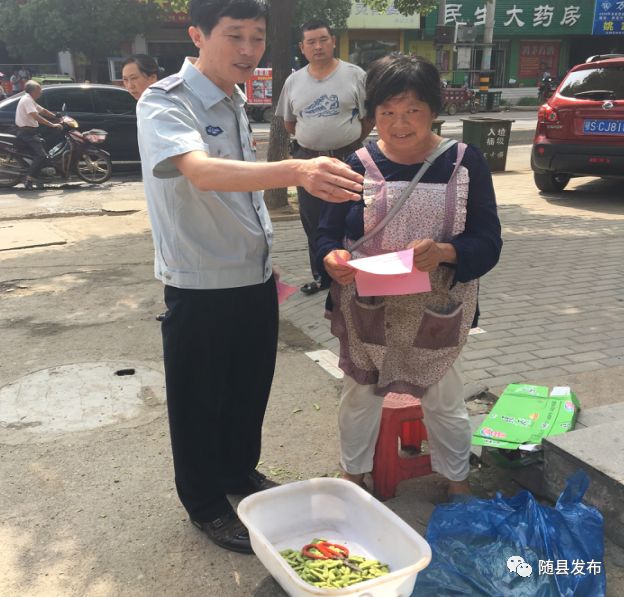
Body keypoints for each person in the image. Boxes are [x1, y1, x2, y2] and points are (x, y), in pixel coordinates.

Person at [136, 0, 363, 554]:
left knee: (247, 389)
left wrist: (261, 251)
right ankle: (205, 505)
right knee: (199, 401)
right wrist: (297, 170)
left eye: (257, 38)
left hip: (254, 277)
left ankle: (238, 472)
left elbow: (241, 194)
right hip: (200, 284)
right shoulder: (166, 101)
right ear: (197, 35)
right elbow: (202, 172)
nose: (248, 50)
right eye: (234, 35)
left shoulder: (235, 100)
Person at [316, 54, 502, 499]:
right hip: (368, 307)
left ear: (433, 110)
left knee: (444, 399)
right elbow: (326, 232)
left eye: (412, 110)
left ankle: (457, 481)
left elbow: (488, 241)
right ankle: (353, 475)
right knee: (359, 396)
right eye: (387, 113)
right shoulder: (356, 164)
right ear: (372, 114)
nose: (399, 124)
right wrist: (330, 257)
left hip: (436, 310)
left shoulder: (464, 162)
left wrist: (445, 252)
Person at [277, 19, 373, 296]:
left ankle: (355, 272)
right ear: (302, 47)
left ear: (333, 41)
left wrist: (347, 142)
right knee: (313, 220)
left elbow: (368, 118)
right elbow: (289, 123)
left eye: (322, 39)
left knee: (353, 216)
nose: (317, 46)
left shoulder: (355, 75)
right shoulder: (293, 81)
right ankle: (322, 275)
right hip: (309, 161)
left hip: (349, 158)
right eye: (311, 42)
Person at [14, 80, 63, 190]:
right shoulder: (27, 100)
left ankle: (39, 175)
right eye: (39, 90)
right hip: (27, 133)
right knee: (41, 156)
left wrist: (56, 117)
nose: (41, 92)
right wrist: (52, 125)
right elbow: (36, 116)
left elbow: (43, 111)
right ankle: (29, 179)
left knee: (43, 148)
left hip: (30, 132)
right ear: (34, 91)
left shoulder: (30, 100)